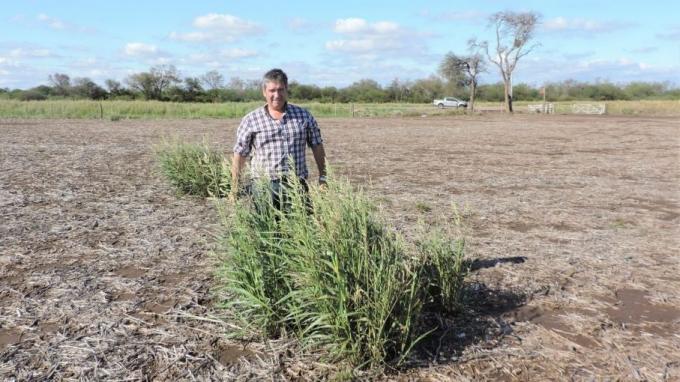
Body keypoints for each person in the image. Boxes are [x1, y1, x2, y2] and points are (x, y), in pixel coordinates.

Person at [230, 68, 327, 209]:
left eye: (281, 90)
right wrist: (234, 187)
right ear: (264, 92)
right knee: (265, 229)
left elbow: (317, 145)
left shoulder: (304, 116)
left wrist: (323, 177)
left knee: (300, 228)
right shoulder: (251, 120)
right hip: (263, 187)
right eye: (272, 90)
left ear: (287, 90)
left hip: (296, 186)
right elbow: (240, 153)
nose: (277, 95)